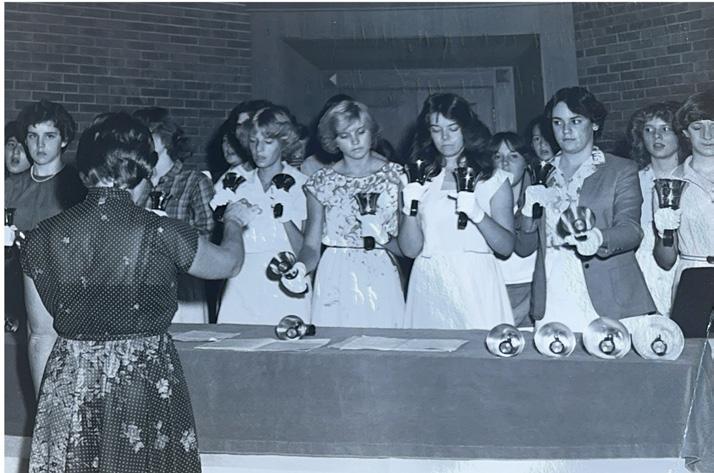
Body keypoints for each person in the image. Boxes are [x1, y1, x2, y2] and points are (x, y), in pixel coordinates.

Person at [22, 112, 247, 472]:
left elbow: (40, 336)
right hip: (141, 382)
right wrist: (234, 222)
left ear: (84, 172)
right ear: (144, 170)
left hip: (70, 382)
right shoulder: (162, 231)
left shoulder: (41, 237)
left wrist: (48, 409)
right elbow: (229, 264)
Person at [518, 87, 655, 332]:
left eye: (575, 121)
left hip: (608, 292)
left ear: (594, 123)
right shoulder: (540, 173)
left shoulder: (620, 170)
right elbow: (523, 247)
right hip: (553, 289)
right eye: (558, 122)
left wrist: (599, 237)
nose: (565, 130)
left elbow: (631, 230)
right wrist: (528, 211)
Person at [399, 93, 515, 329]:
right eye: (436, 130)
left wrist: (477, 214)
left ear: (466, 128)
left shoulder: (493, 178)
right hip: (430, 281)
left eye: (453, 128)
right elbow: (410, 250)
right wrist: (410, 208)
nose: (445, 138)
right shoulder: (415, 177)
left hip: (476, 281)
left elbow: (505, 247)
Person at [298, 99, 405, 328]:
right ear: (334, 141)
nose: (355, 141)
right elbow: (311, 247)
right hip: (335, 275)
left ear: (371, 132)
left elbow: (407, 248)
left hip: (381, 271)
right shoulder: (321, 182)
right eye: (345, 136)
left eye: (361, 132)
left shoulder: (396, 177)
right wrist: (299, 268)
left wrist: (382, 236)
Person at [212, 105, 310, 324]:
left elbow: (305, 250)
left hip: (285, 281)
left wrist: (284, 217)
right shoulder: (235, 182)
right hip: (242, 282)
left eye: (268, 142)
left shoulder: (302, 185)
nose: (259, 149)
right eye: (253, 141)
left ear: (283, 142)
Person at [132, 107, 215, 323]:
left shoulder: (195, 181)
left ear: (162, 139)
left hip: (183, 286)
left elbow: (209, 234)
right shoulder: (135, 185)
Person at [626, 102, 685, 316]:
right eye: (649, 130)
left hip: (683, 271)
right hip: (642, 271)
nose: (656, 136)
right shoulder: (632, 180)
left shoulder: (692, 178)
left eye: (665, 129)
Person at [654, 90, 714, 295]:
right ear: (686, 133)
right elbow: (665, 261)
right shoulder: (669, 184)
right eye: (697, 127)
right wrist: (665, 232)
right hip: (693, 281)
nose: (708, 135)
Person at [490, 132, 538, 326]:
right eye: (498, 156)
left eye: (513, 156)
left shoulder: (538, 200)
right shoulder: (480, 202)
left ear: (526, 162)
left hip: (531, 292)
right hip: (492, 290)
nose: (504, 163)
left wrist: (527, 305)